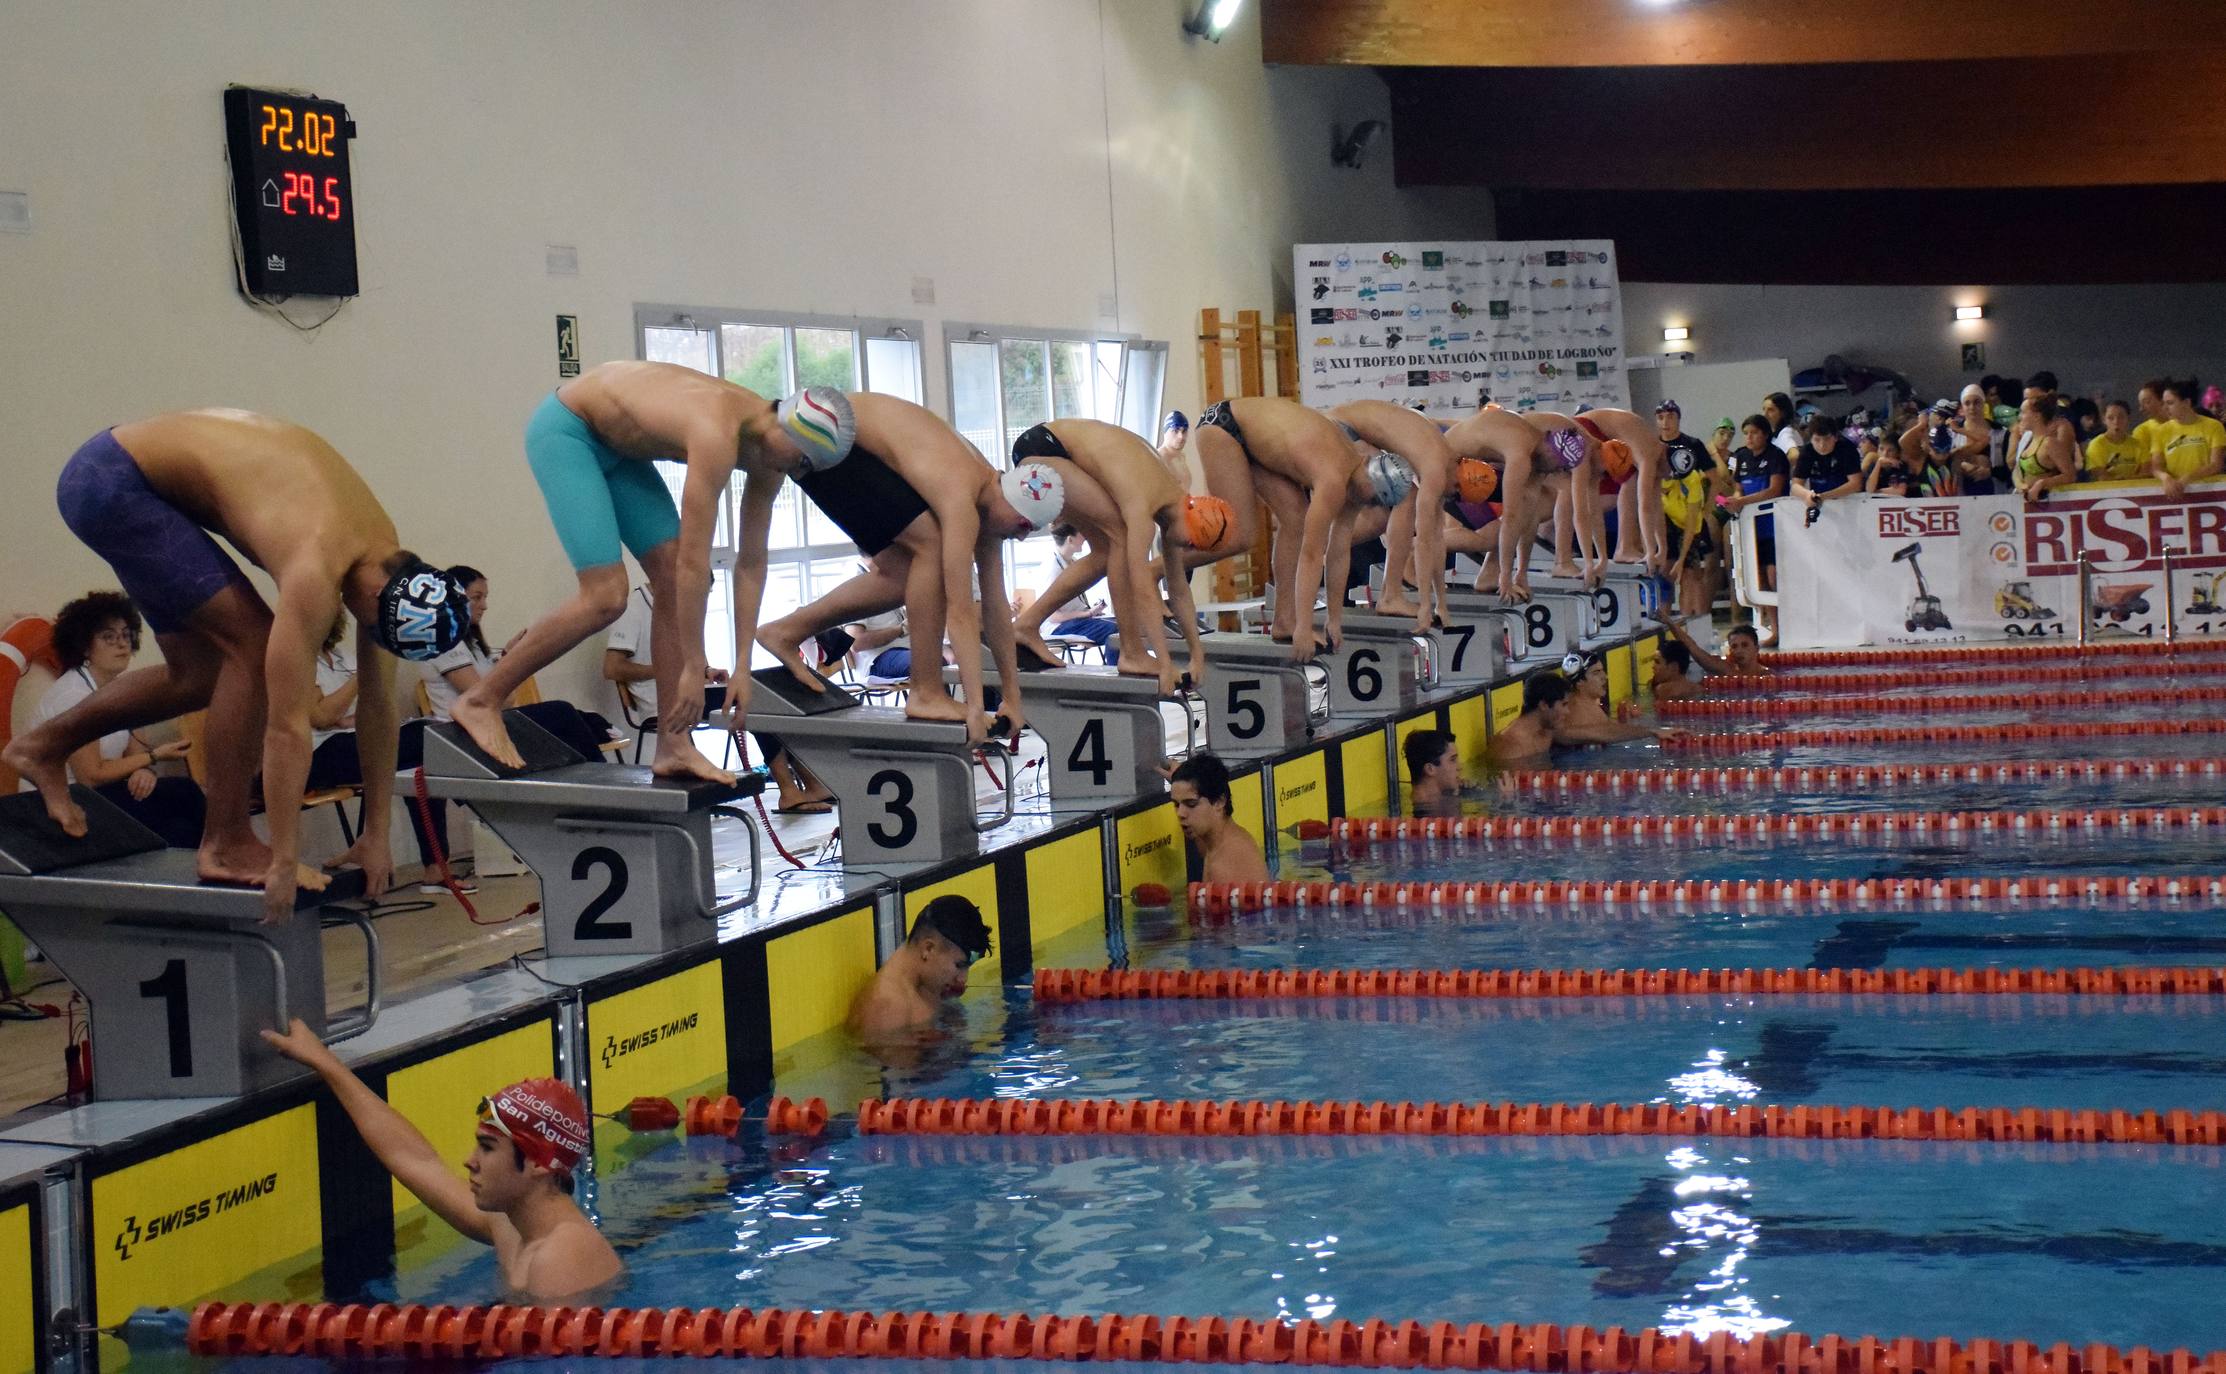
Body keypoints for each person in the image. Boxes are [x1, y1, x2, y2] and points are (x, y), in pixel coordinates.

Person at [4, 410, 469, 922]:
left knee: (200, 676)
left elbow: (379, 708)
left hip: (121, 478)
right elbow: (286, 729)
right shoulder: (315, 567)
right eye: (373, 629)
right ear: (381, 593)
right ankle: (226, 840)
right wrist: (284, 859)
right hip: (114, 481)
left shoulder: (386, 559)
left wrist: (375, 833)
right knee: (252, 646)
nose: (367, 638)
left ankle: (42, 746)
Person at [449, 362, 847, 781]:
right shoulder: (717, 432)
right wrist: (695, 664)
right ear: (785, 429)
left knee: (674, 579)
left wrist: (743, 664)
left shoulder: (772, 455)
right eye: (802, 462)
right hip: (568, 431)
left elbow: (751, 563)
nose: (798, 474)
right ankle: (480, 699)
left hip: (619, 448)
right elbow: (695, 560)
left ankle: (674, 745)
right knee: (605, 597)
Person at [757, 394, 1093, 741]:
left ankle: (786, 631)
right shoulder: (961, 495)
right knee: (930, 546)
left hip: (835, 439)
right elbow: (960, 611)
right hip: (821, 430)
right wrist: (975, 706)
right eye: (1023, 525)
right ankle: (926, 691)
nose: (1021, 537)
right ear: (1009, 498)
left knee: (904, 574)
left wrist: (1013, 697)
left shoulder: (990, 502)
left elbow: (995, 611)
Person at [260, 1020, 620, 1301]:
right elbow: (416, 1161)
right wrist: (325, 1061)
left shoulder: (562, 1255)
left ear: (539, 1165)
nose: (470, 1161)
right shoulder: (511, 1226)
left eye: (487, 1148)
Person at [1192, 397, 1416, 660]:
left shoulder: (1356, 481)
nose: (1370, 505)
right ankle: (1158, 570)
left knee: (1295, 519)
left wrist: (1334, 619)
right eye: (1374, 498)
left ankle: (1284, 620)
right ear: (1370, 475)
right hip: (1223, 425)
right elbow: (1312, 555)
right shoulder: (1334, 480)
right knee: (1240, 538)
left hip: (1251, 437)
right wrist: (1304, 628)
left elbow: (1338, 552)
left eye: (1377, 503)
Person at [1004, 418, 1220, 691]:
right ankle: (1132, 652)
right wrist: (1164, 662)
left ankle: (1026, 625)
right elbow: (1141, 585)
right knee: (1119, 534)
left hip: (1052, 449)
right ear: (1190, 527)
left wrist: (1197, 657)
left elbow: (1178, 591)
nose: (1185, 550)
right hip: (1043, 447)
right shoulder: (1145, 506)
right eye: (1190, 545)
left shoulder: (1173, 510)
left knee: (1107, 551)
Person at [25, 592, 206, 849]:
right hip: (60, 803)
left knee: (179, 823)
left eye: (125, 635)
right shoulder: (74, 695)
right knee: (184, 795)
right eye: (109, 637)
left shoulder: (120, 688)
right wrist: (154, 757)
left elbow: (136, 749)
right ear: (85, 646)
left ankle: (194, 878)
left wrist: (143, 771)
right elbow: (91, 776)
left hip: (98, 794)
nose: (122, 644)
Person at [1332, 399, 1488, 628]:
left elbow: (1436, 539)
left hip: (1347, 428)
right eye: (1456, 493)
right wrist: (1426, 605)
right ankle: (1391, 595)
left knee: (1380, 520)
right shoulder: (1435, 467)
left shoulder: (1441, 460)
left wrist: (1440, 604)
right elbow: (1424, 541)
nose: (1451, 498)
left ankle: (1314, 551)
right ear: (1459, 476)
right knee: (1405, 494)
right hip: (1341, 428)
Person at [846, 895, 992, 1044]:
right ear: (928, 948)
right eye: (959, 966)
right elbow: (897, 1067)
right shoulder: (888, 1008)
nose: (963, 979)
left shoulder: (930, 983)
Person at [1723, 415, 1789, 642]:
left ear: (1765, 434)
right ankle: (1773, 628)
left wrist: (1743, 501)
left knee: (1774, 575)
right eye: (1746, 433)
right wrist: (1735, 500)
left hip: (1773, 526)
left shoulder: (1776, 456)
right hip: (1750, 529)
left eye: (1753, 433)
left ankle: (1787, 625)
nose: (1749, 437)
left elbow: (1775, 490)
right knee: (1758, 577)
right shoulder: (1739, 456)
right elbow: (1737, 487)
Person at [1169, 751, 1268, 883]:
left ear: (1219, 802)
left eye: (1191, 804)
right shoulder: (1216, 840)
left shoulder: (1225, 868)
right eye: (1176, 804)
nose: (1180, 813)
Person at [1555, 650, 1677, 745]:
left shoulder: (1587, 704)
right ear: (1580, 681)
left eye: (1602, 671)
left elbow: (1607, 729)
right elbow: (1604, 732)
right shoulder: (1576, 709)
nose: (1605, 677)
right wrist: (1651, 731)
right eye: (1596, 673)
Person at [2148, 381, 2226, 499]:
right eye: (2163, 403)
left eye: (2170, 403)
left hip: (2209, 493)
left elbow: (2216, 464)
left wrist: (2187, 479)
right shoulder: (2161, 431)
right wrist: (2166, 478)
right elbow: (2156, 466)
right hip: (2175, 493)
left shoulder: (2213, 426)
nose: (2165, 408)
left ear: (2186, 403)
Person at [1489, 672, 1575, 766]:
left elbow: (1570, 735)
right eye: (1564, 704)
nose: (1568, 711)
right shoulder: (1510, 747)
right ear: (1544, 705)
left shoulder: (1547, 730)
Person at [1790, 417, 1864, 520]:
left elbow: (1856, 484)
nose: (1822, 445)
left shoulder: (1847, 449)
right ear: (1810, 439)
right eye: (1817, 440)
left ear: (1835, 437)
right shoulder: (1807, 452)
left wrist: (1824, 496)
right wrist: (1806, 494)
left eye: (1827, 439)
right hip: (1821, 502)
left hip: (1849, 502)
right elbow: (1795, 485)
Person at [2008, 397, 2078, 502]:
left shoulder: (2050, 443)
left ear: (2036, 416)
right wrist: (2020, 485)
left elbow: (2070, 475)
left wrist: (2042, 484)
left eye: (2023, 412)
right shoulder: (2029, 441)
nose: (2020, 417)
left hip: (2046, 506)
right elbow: (2016, 470)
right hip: (2027, 504)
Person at [1664, 616, 1769, 677]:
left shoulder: (1767, 676)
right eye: (1734, 646)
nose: (1739, 650)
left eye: (1745, 645)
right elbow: (1693, 648)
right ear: (1730, 650)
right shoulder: (1725, 669)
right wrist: (1669, 622)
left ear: (1757, 648)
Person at [1401, 727, 1461, 816]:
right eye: (1452, 760)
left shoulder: (1438, 799)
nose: (1459, 767)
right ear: (1430, 769)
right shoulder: (1427, 812)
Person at [2085, 401, 2148, 482]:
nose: (2116, 422)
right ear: (2104, 420)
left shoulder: (2138, 444)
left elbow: (2146, 472)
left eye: (2121, 417)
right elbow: (2100, 476)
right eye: (2111, 418)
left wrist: (2125, 480)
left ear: (2128, 419)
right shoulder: (2096, 445)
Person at [1157, 410, 1192, 486]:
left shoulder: (1181, 457)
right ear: (1165, 432)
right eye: (1175, 431)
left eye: (1184, 431)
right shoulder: (1159, 458)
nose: (1181, 437)